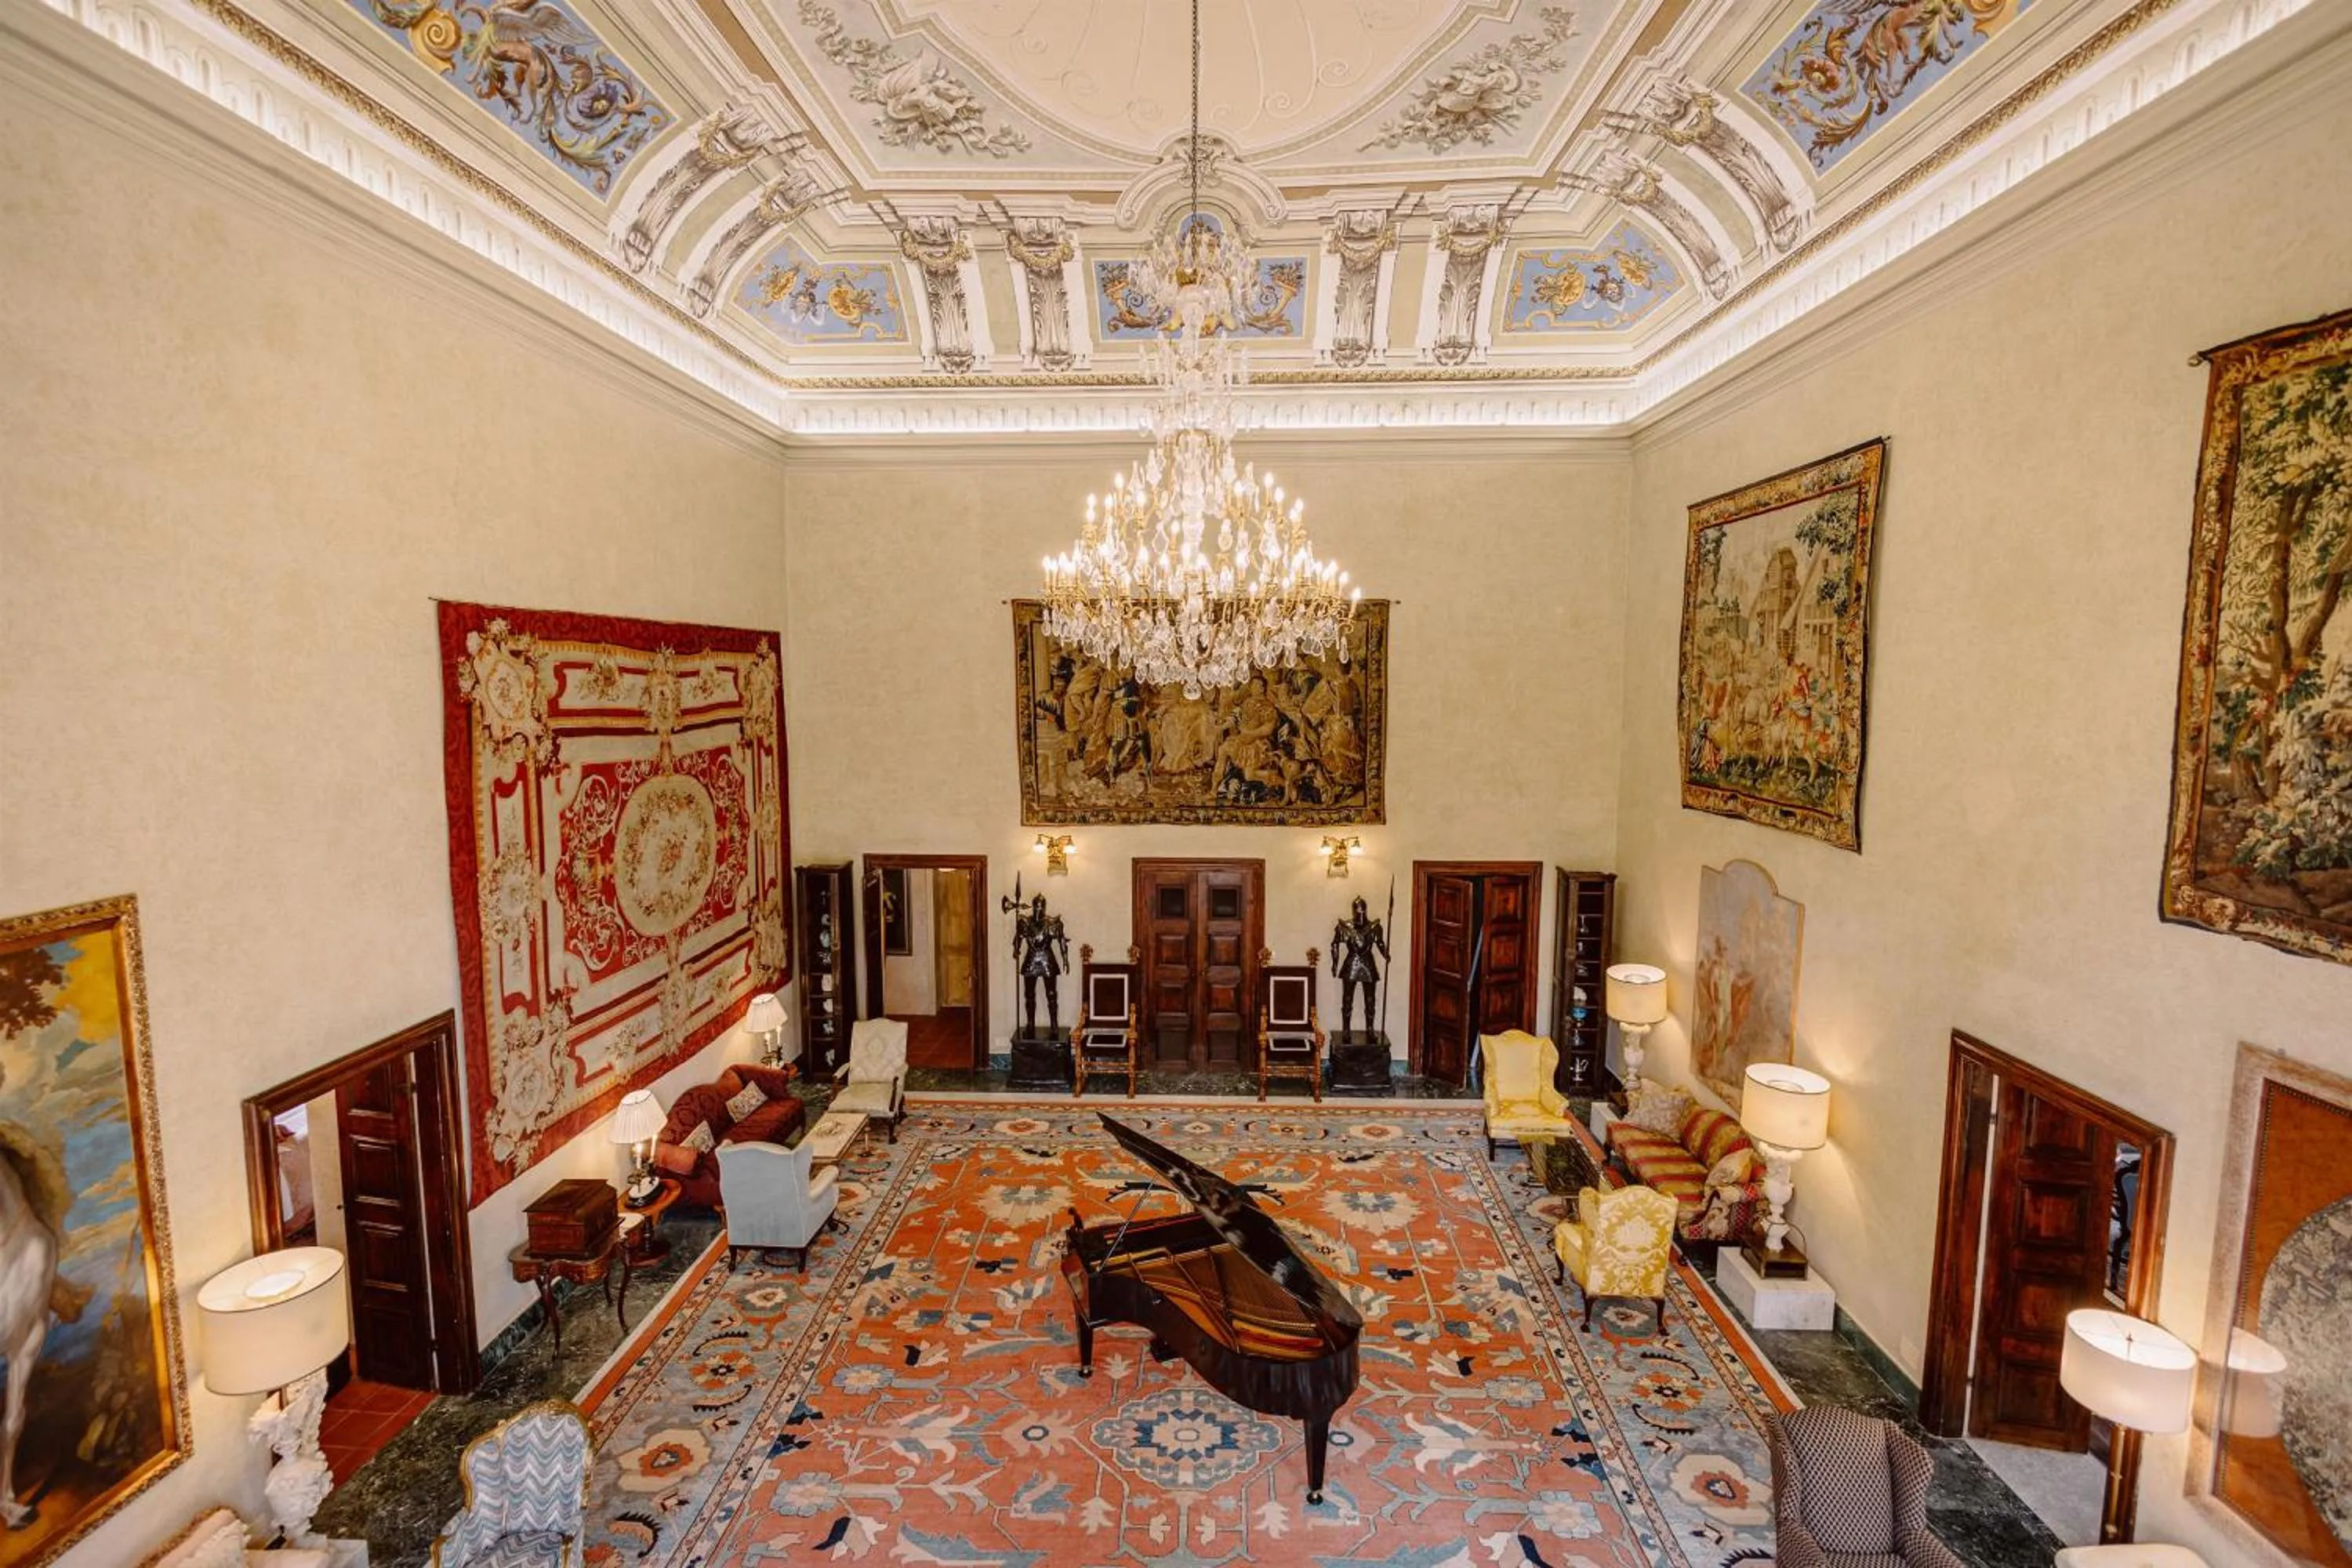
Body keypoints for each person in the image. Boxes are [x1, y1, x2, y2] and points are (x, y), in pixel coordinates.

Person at [1007, 891, 1071, 1032]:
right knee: (1029, 994)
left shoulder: (1052, 923)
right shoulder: (1025, 922)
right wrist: (1016, 950)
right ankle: (1031, 1024)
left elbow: (1061, 940)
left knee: (1052, 994)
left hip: (1047, 958)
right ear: (1033, 906)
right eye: (1036, 906)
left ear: (1045, 907)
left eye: (1041, 907)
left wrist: (1065, 960)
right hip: (1031, 958)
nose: (1038, 909)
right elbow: (1018, 937)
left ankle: (1054, 1024)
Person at [1329, 895, 1388, 1035]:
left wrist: (1386, 954)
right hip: (1352, 962)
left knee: (1370, 999)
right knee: (1347, 999)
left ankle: (1370, 1029)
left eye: (1362, 911)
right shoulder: (1345, 927)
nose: (1360, 914)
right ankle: (1346, 1029)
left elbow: (1380, 943)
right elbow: (1335, 944)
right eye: (1357, 911)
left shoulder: (1374, 927)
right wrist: (1335, 963)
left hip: (1368, 962)